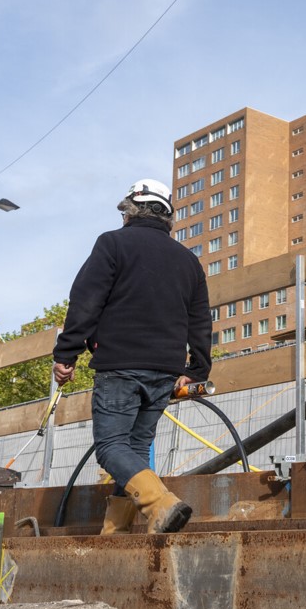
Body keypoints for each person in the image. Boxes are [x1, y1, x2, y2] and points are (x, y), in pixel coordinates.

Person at [52, 179, 212, 534]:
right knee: (135, 451)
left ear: (129, 211)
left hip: (121, 364)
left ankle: (161, 504)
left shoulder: (112, 243)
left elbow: (86, 301)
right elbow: (200, 318)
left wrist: (67, 353)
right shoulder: (188, 260)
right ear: (167, 217)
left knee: (110, 448)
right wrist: (197, 368)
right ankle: (115, 534)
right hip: (165, 370)